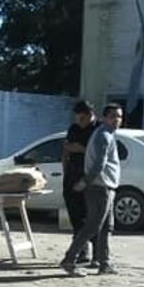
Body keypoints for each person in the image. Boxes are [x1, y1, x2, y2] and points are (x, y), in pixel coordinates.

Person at [60, 103, 123, 277]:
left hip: (107, 186)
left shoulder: (107, 134)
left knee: (105, 227)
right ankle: (69, 260)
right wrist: (85, 182)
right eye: (113, 116)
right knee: (92, 226)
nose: (117, 120)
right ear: (104, 118)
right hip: (99, 186)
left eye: (119, 116)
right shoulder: (103, 135)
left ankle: (104, 263)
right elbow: (98, 164)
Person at [62, 100, 98, 265]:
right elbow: (67, 148)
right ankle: (82, 251)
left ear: (91, 115)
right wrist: (65, 169)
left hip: (90, 178)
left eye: (82, 118)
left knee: (93, 218)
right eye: (77, 118)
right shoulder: (74, 129)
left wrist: (81, 148)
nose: (79, 122)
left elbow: (97, 154)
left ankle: (98, 254)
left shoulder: (98, 130)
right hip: (72, 176)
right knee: (76, 216)